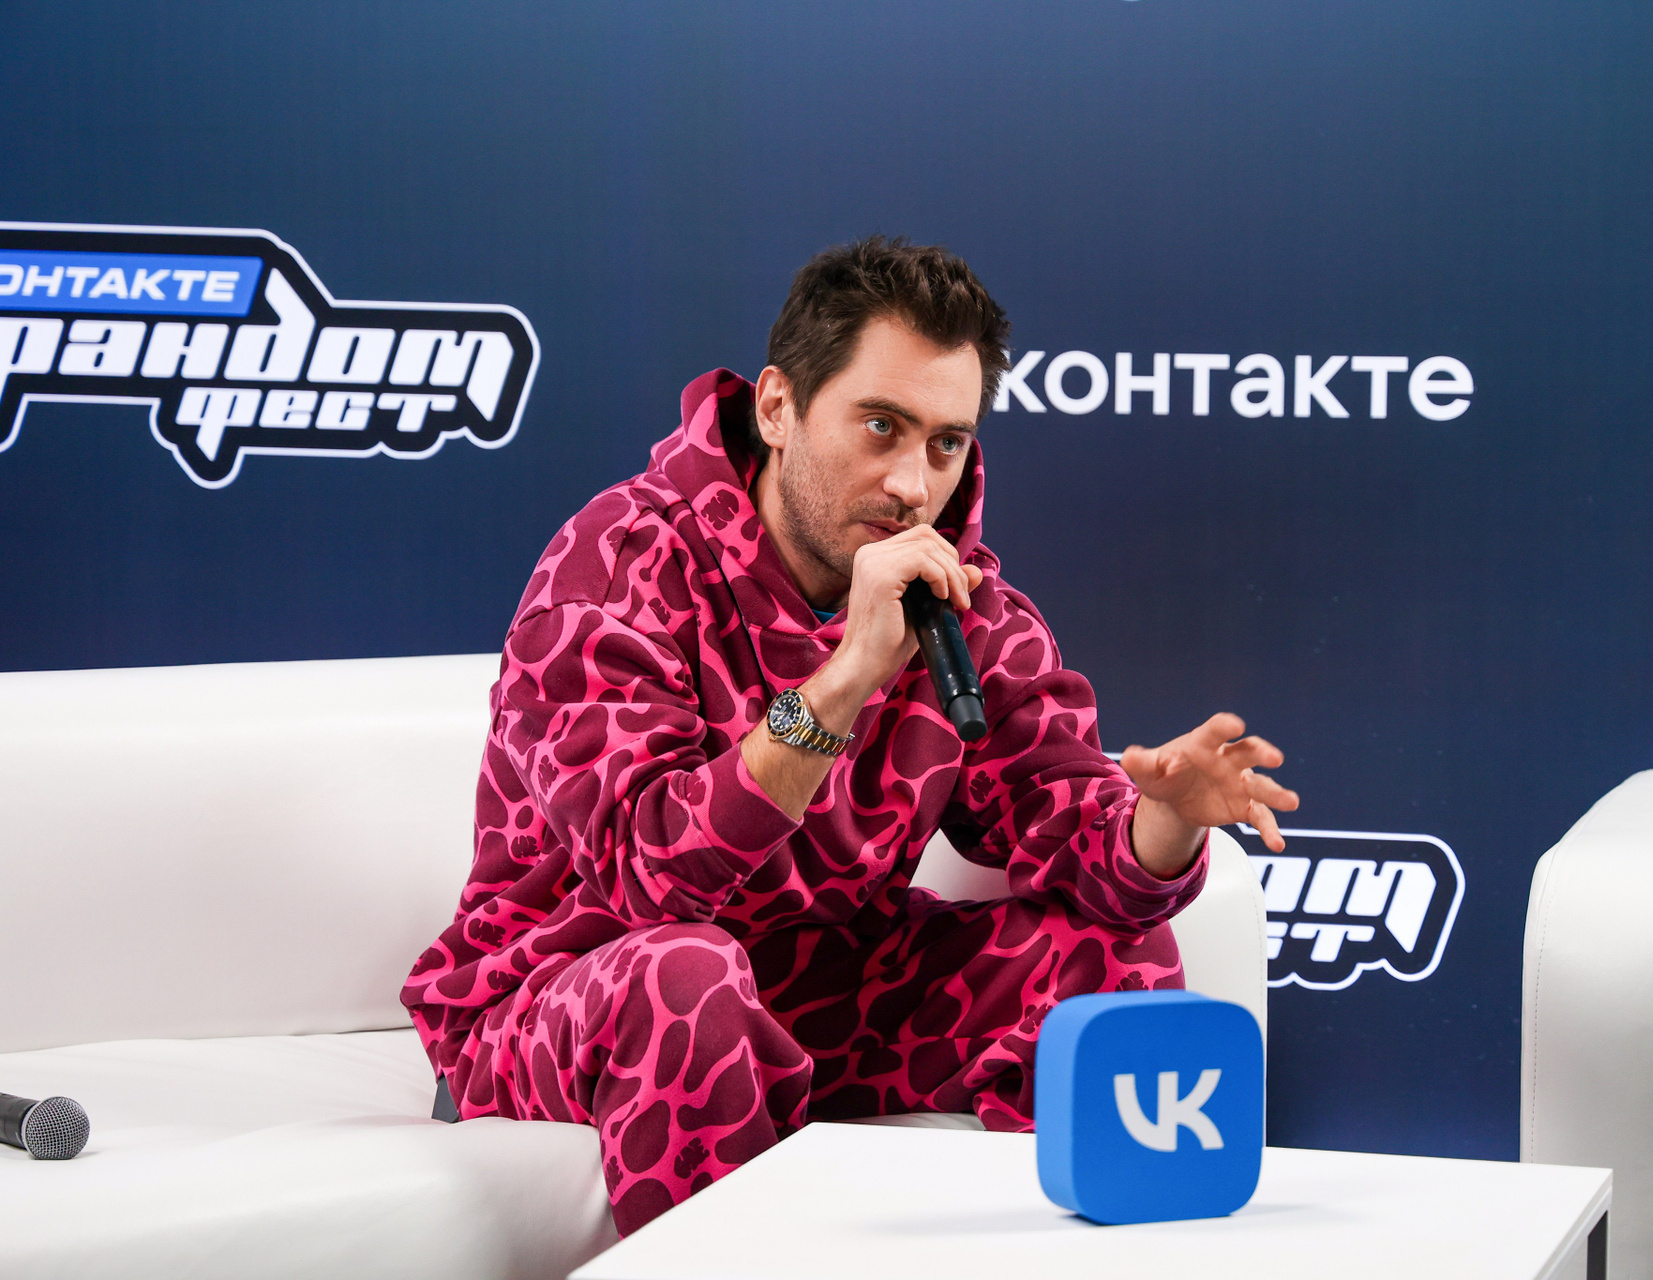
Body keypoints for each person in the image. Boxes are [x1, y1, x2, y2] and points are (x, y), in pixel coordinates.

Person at [401, 237, 1299, 1235]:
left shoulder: (965, 608)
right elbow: (651, 879)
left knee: (1106, 956)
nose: (913, 484)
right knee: (684, 976)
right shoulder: (616, 568)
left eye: (946, 444)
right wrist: (845, 677)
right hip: (570, 992)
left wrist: (1165, 821)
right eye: (881, 426)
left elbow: (1067, 832)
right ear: (777, 407)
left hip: (821, 990)